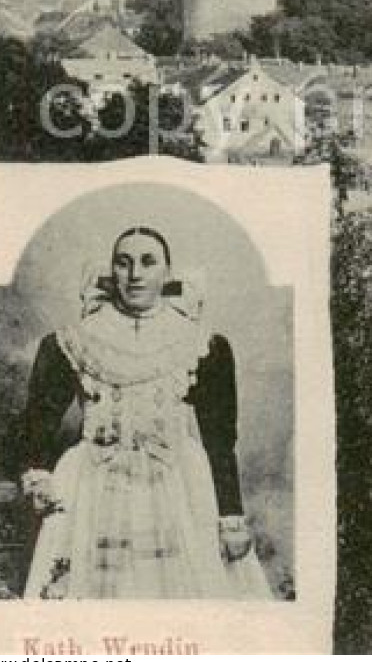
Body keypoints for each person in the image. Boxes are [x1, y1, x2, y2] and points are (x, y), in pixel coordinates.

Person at [21, 226, 274, 599]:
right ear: (111, 273)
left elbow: (220, 440)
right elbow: (37, 425)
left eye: (147, 262)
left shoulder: (204, 345)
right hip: (91, 486)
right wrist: (39, 477)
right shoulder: (71, 342)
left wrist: (230, 516)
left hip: (178, 485)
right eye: (123, 264)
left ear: (167, 273)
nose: (135, 274)